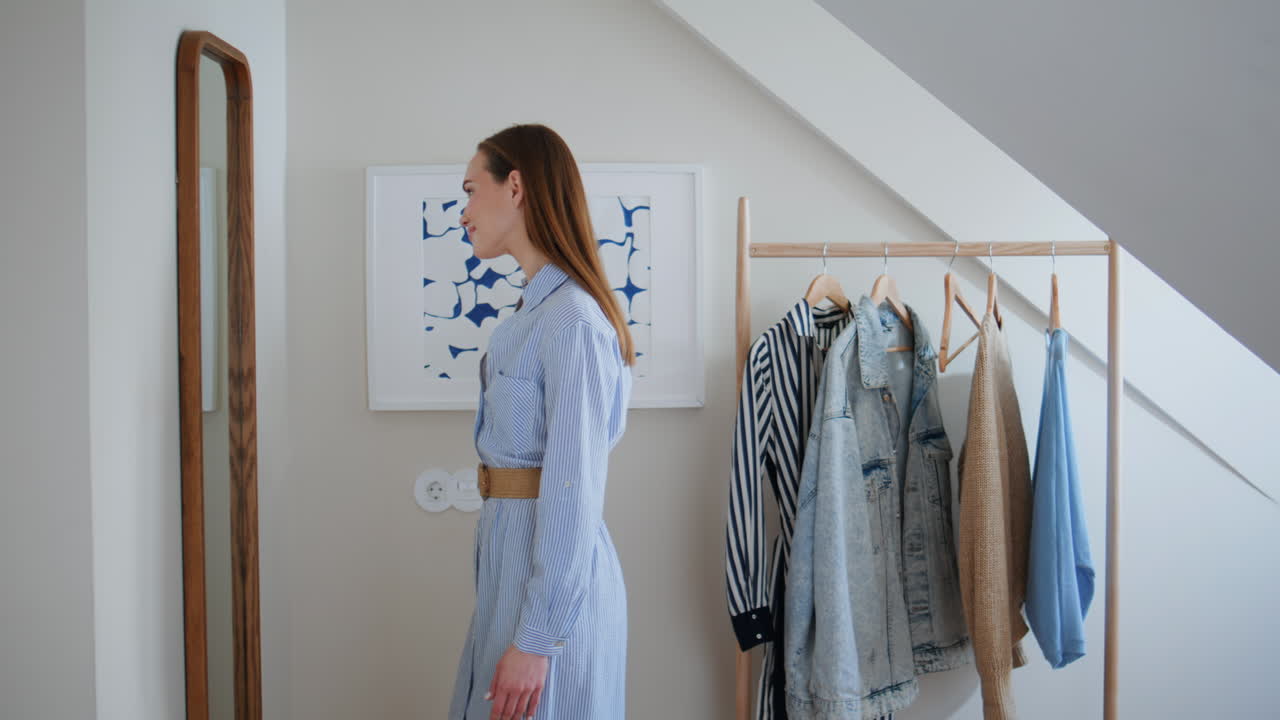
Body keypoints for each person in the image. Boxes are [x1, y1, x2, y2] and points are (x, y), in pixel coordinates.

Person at [448, 124, 634, 720]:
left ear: (516, 186)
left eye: (471, 190)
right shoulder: (534, 314)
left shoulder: (572, 321)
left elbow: (573, 485)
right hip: (516, 567)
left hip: (551, 590)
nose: (463, 213)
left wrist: (537, 638)